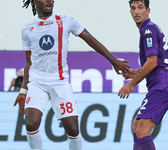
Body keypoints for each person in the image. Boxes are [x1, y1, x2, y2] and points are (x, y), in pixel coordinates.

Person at [13, 0, 130, 150]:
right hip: (37, 82)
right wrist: (23, 91)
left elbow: (91, 40)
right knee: (31, 123)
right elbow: (29, 63)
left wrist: (114, 61)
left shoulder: (66, 21)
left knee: (73, 128)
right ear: (35, 1)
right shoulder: (27, 29)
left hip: (60, 82)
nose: (50, 0)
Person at [118, 0, 168, 150]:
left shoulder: (148, 30)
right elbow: (155, 63)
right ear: (130, 12)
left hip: (163, 85)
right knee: (136, 126)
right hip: (164, 83)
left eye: (140, 7)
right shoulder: (149, 28)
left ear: (148, 10)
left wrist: (131, 84)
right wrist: (134, 73)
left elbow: (152, 63)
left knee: (142, 130)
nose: (137, 11)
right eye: (133, 8)